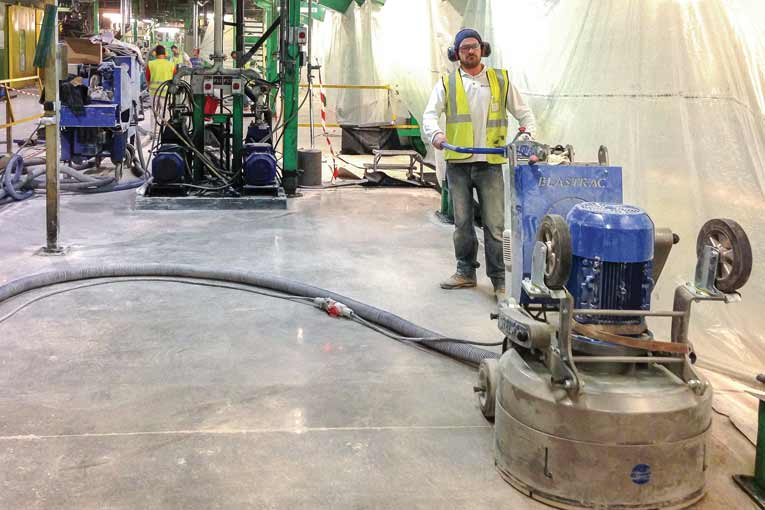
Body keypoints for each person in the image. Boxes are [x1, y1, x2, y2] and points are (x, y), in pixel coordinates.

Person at [422, 28, 537, 302]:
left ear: (482, 49)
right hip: (458, 164)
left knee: (494, 226)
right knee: (462, 223)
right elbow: (429, 115)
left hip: (490, 163)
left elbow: (524, 114)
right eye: (464, 49)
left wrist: (527, 137)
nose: (470, 52)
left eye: (473, 47)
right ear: (456, 54)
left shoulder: (500, 80)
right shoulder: (447, 83)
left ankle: (498, 281)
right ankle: (465, 272)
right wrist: (436, 134)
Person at [145, 45, 176, 130]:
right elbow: (175, 80)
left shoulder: (150, 64)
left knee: (154, 112)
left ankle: (154, 131)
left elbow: (147, 79)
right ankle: (167, 131)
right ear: (165, 53)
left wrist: (149, 88)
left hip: (153, 93)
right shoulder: (171, 65)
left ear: (155, 54)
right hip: (166, 93)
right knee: (166, 112)